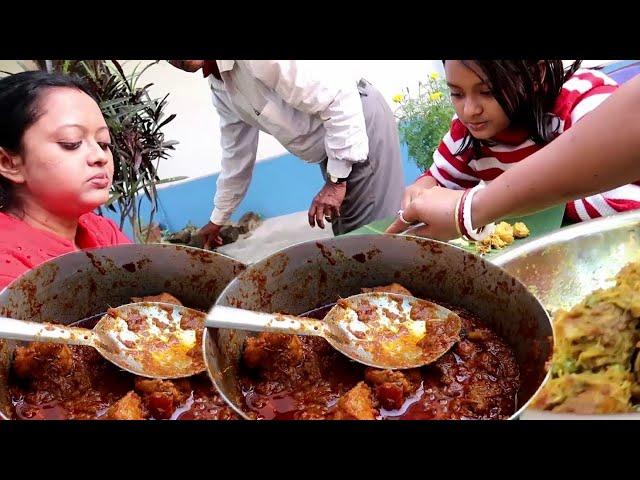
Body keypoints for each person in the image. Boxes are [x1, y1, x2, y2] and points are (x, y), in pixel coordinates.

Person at [387, 60, 640, 239]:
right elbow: (440, 181)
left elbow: (627, 203)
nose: (469, 110)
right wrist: (424, 189)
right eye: (457, 93)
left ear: (536, 75)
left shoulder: (584, 104)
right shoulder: (467, 132)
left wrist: (499, 199)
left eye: (487, 91)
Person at [168, 60, 404, 248]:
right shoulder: (221, 85)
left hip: (356, 127)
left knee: (369, 245)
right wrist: (217, 219)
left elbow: (339, 98)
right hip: (335, 147)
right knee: (349, 241)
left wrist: (335, 183)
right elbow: (236, 156)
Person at [0, 71, 131, 290]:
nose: (100, 156)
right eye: (71, 143)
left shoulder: (102, 229)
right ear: (8, 163)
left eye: (103, 143)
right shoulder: (7, 266)